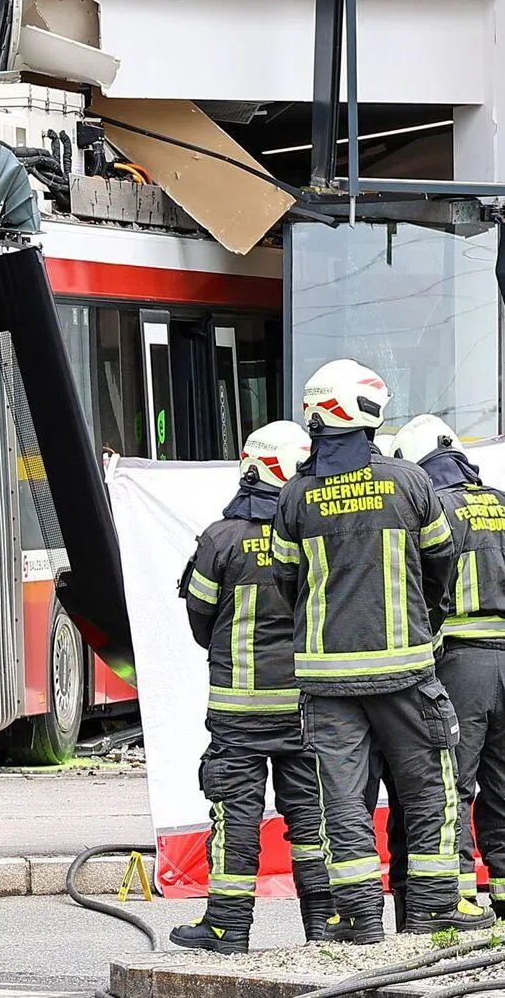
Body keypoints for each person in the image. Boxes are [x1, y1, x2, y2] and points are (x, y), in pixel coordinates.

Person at [272, 360, 492, 942]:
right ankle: (430, 919)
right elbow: (442, 563)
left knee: (342, 808)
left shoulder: (295, 497)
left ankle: (362, 924)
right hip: (408, 677)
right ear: (371, 414)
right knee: (429, 798)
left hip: (326, 685)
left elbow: (285, 582)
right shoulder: (411, 483)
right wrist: (424, 621)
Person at [170, 421, 334, 955]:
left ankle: (227, 928)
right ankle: (326, 929)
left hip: (238, 710)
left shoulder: (221, 539)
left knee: (235, 817)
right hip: (305, 707)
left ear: (251, 467)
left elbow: (199, 620)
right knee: (311, 817)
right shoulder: (312, 533)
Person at [393, 414, 505, 917]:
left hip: (461, 661)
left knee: (452, 780)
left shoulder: (436, 509)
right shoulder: (501, 503)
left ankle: (459, 891)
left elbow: (423, 590)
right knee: (503, 782)